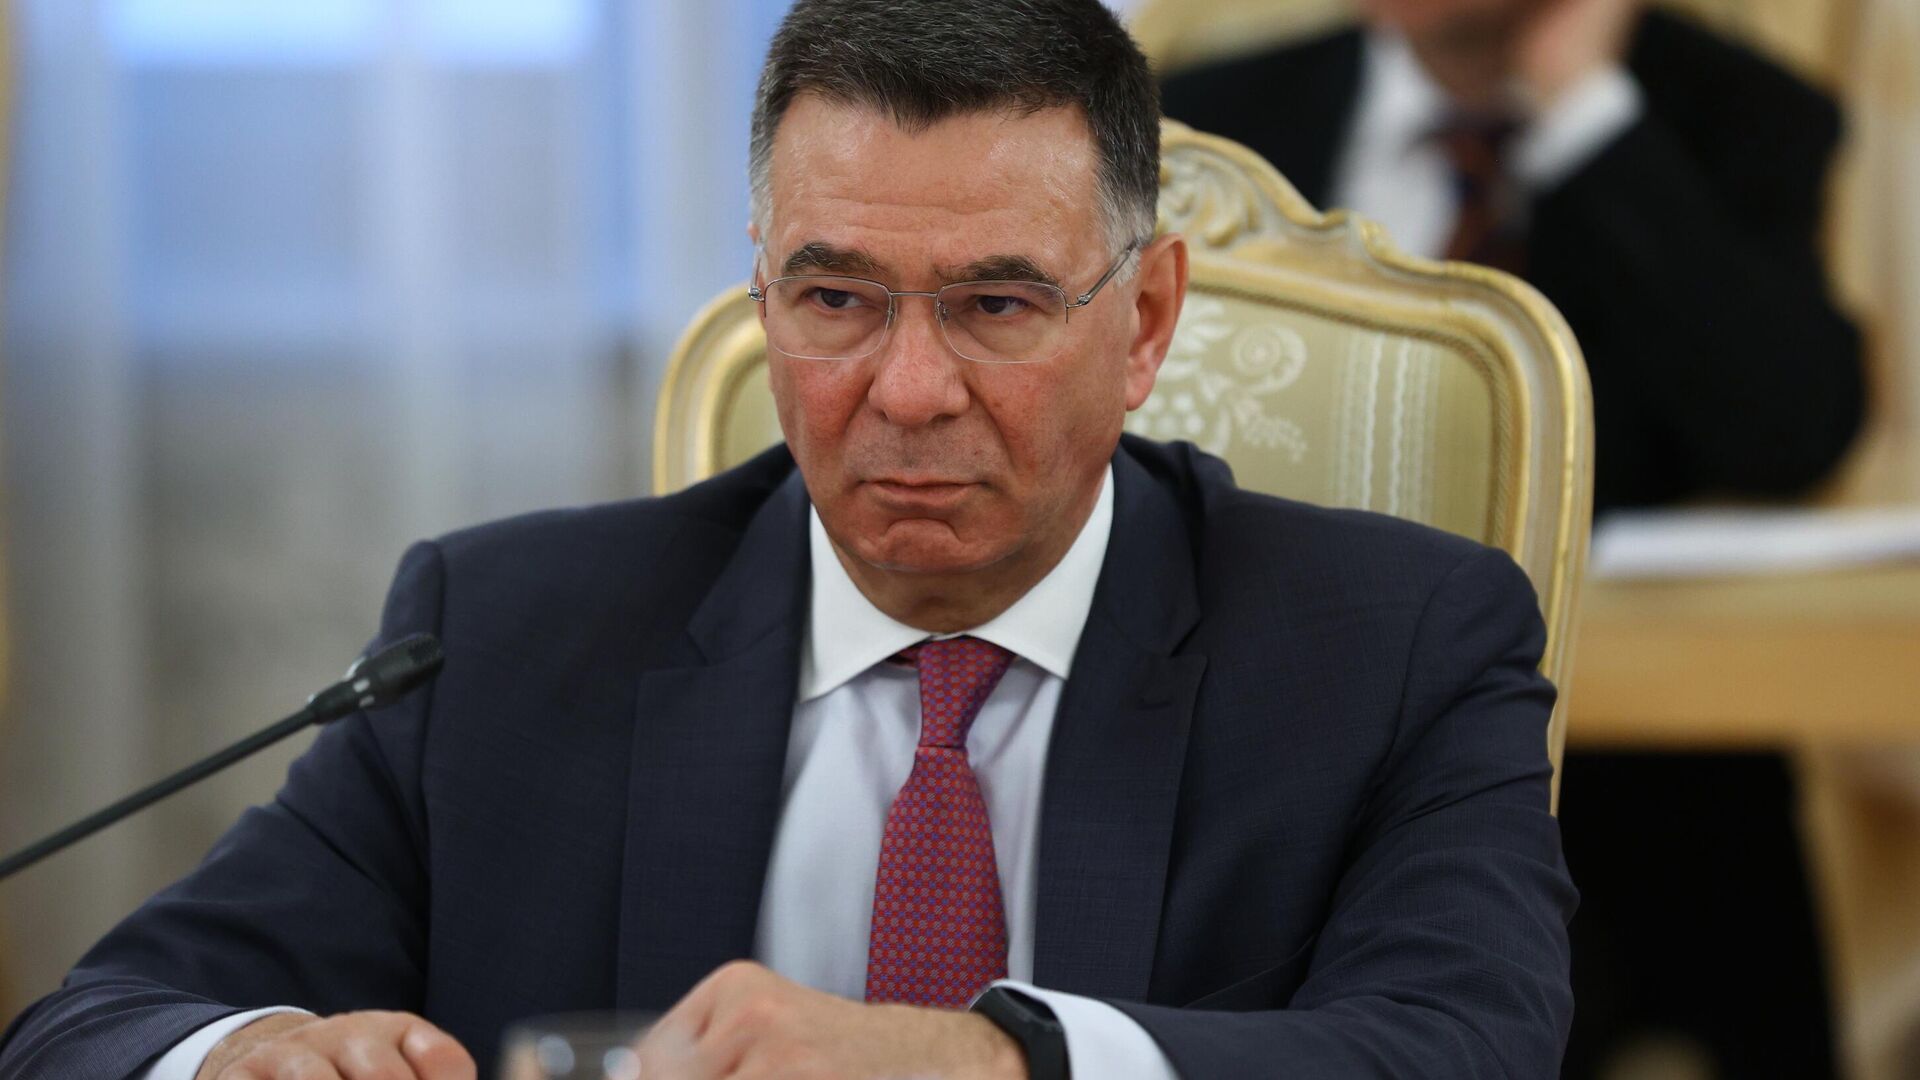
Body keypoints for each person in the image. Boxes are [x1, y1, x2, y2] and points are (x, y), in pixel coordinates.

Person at [0, 2, 1576, 1077]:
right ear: (762, 292)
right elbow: (99, 1023)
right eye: (836, 298)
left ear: (1145, 319)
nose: (909, 389)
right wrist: (253, 1053)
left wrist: (984, 1060)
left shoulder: (1392, 642)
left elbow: (1469, 1045)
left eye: (998, 303)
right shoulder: (502, 634)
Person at [1162, 2, 1856, 1076]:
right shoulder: (1208, 121)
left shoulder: (1734, 110)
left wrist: (1584, 115)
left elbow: (1791, 431)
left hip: (1628, 792)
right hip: (1257, 744)